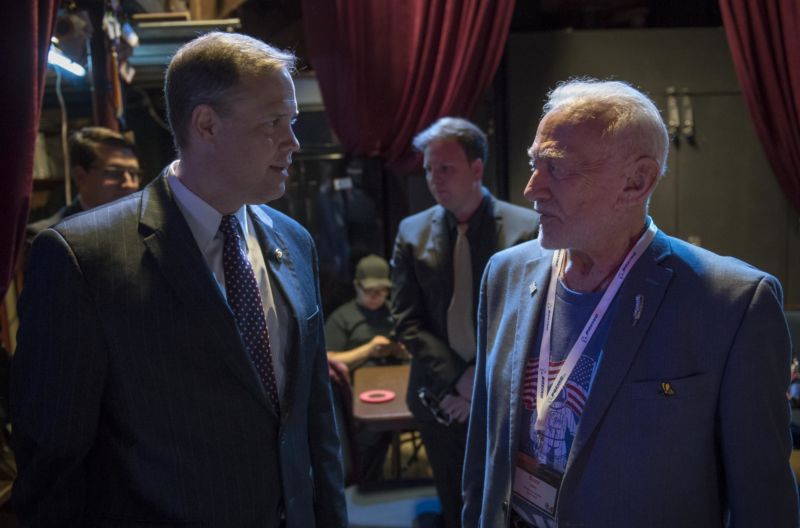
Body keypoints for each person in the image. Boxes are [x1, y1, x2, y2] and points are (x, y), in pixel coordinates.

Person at [11, 32, 347, 527]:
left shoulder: (295, 241)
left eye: (291, 122)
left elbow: (315, 421)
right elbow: (52, 464)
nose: (293, 142)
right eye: (274, 122)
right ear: (206, 124)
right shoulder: (84, 258)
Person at [462, 79, 799, 528]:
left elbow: (764, 502)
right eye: (533, 164)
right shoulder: (504, 274)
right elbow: (482, 453)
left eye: (557, 168)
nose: (531, 189)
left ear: (636, 182)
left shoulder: (731, 303)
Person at [391, 117, 539, 528]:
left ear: (477, 169)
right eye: (427, 169)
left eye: (445, 168)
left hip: (503, 396)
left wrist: (479, 384)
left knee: (502, 505)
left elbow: (528, 318)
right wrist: (458, 380)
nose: (433, 179)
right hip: (436, 398)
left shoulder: (525, 229)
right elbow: (406, 319)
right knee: (453, 502)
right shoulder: (411, 231)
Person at [326, 254, 406, 482]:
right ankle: (367, 486)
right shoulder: (342, 318)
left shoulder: (396, 312)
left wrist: (400, 350)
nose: (375, 296)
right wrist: (369, 350)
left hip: (399, 386)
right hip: (359, 396)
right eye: (369, 291)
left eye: (381, 291)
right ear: (356, 286)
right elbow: (328, 360)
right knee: (370, 435)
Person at [26, 126, 140, 240]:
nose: (129, 184)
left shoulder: (145, 228)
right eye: (115, 173)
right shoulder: (47, 237)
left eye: (134, 173)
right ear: (80, 176)